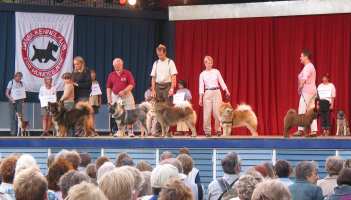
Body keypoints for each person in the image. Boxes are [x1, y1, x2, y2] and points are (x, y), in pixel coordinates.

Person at [199, 56, 230, 137]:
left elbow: (221, 81)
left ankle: (218, 129)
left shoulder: (216, 71)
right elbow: (201, 87)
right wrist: (200, 98)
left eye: (209, 62)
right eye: (206, 62)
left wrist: (226, 90)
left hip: (217, 92)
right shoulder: (202, 74)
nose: (208, 64)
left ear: (212, 63)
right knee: (207, 113)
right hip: (207, 92)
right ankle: (207, 131)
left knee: (217, 113)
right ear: (204, 63)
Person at [106, 58, 136, 137]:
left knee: (129, 113)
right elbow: (108, 88)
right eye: (115, 65)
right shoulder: (111, 75)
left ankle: (130, 131)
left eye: (118, 65)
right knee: (117, 114)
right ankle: (120, 130)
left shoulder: (127, 73)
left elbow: (131, 84)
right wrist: (109, 99)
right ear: (113, 65)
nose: (117, 66)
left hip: (127, 95)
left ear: (122, 65)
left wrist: (124, 91)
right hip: (115, 96)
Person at [295, 49, 317, 137]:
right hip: (312, 91)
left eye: (301, 56)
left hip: (307, 91)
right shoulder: (309, 66)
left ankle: (300, 130)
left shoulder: (308, 67)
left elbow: (304, 79)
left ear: (306, 57)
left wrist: (300, 88)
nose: (300, 58)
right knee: (311, 110)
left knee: (302, 109)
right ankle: (314, 130)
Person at [5, 72, 26, 136]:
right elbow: (6, 93)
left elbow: (23, 94)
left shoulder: (21, 83)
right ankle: (13, 132)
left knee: (20, 117)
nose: (19, 78)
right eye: (18, 77)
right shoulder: (11, 82)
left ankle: (19, 132)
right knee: (12, 116)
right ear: (15, 76)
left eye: (20, 77)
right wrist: (11, 99)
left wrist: (23, 102)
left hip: (19, 101)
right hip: (12, 101)